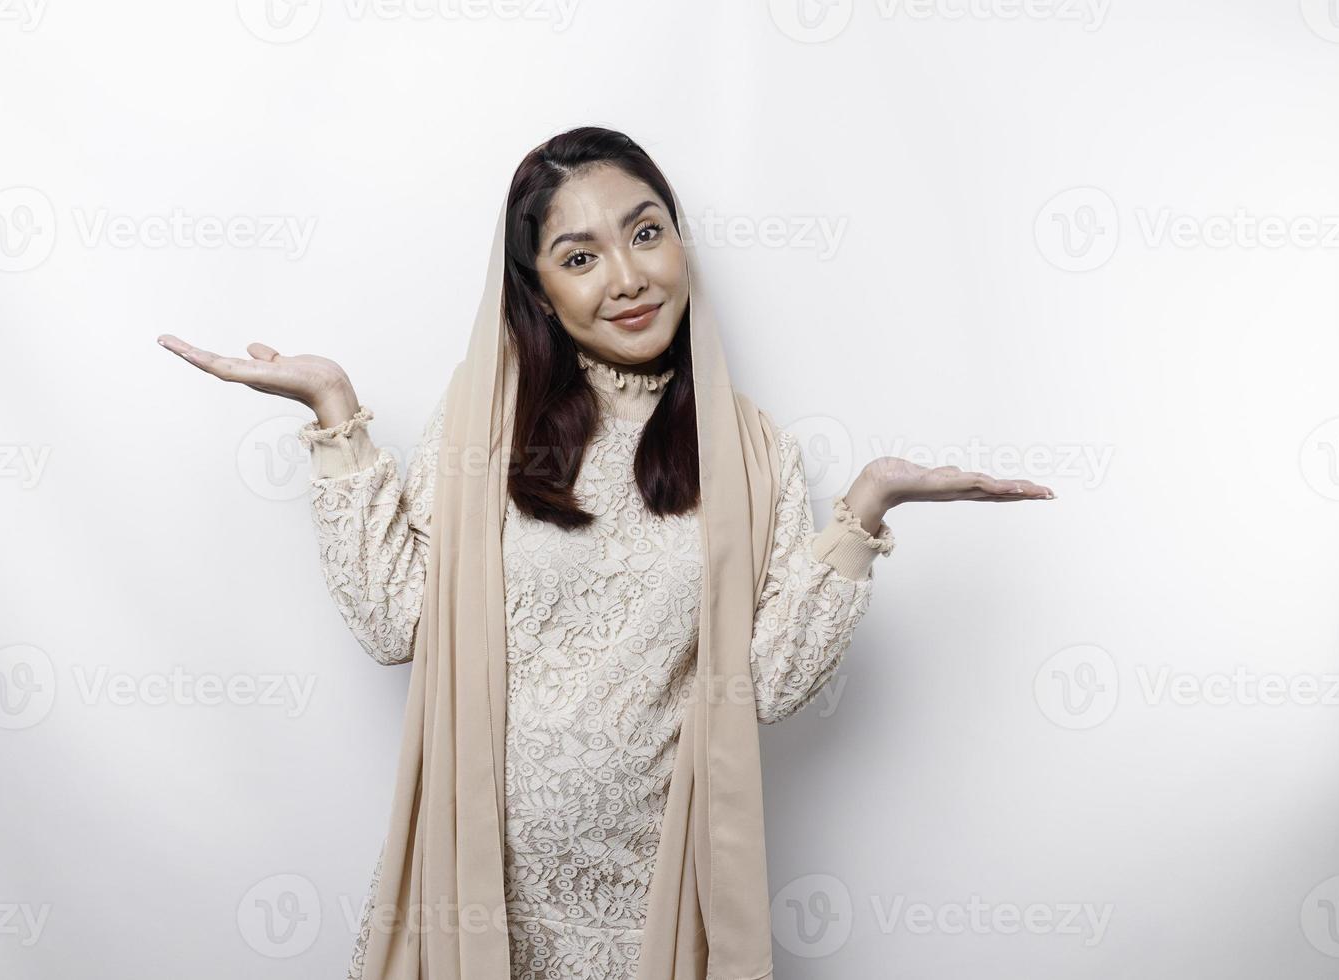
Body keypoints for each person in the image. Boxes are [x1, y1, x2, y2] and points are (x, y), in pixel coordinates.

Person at [158, 126, 1053, 980]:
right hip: (478, 882)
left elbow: (768, 686)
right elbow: (395, 624)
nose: (628, 278)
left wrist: (865, 510)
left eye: (646, 234)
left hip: (651, 900)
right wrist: (334, 409)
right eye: (580, 257)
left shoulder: (749, 450)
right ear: (539, 289)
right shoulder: (488, 421)